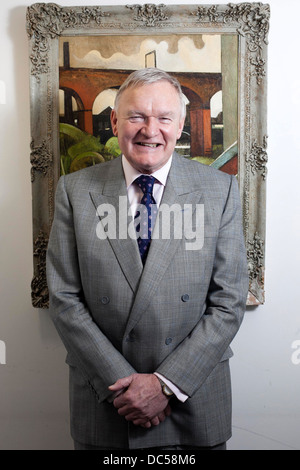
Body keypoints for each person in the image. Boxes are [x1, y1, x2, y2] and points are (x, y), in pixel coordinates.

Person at [46, 68, 249, 451]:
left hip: (193, 400)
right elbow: (65, 299)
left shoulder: (219, 190)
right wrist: (126, 385)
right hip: (108, 399)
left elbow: (228, 301)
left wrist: (164, 385)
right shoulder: (74, 190)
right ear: (114, 121)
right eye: (136, 116)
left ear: (181, 125)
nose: (149, 130)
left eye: (163, 118)